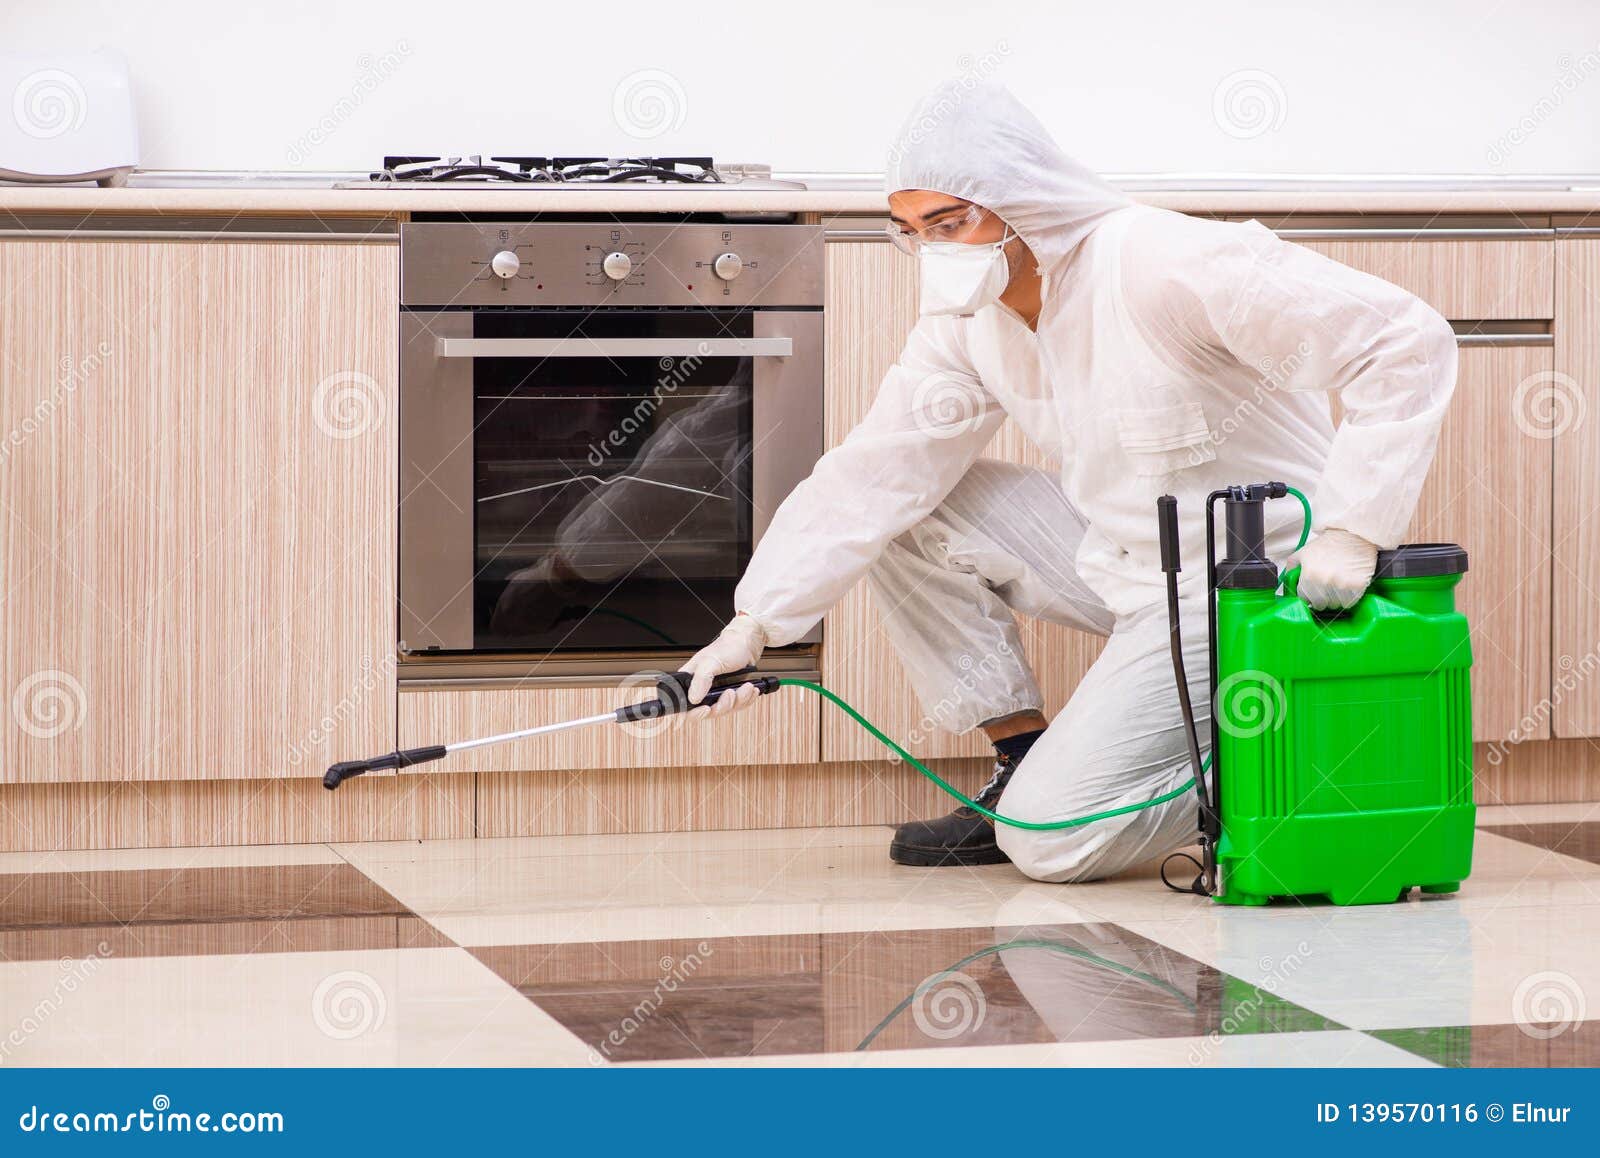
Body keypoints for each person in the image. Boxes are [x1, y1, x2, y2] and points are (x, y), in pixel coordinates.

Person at [680, 79, 1457, 882]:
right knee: (908, 509)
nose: (934, 249)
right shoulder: (968, 324)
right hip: (1122, 560)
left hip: (1250, 587)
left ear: (1021, 203)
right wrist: (756, 625)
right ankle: (1024, 761)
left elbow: (1405, 339)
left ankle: (1310, 759)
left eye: (950, 222)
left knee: (1050, 842)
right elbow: (877, 469)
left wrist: (1353, 529)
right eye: (912, 231)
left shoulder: (1164, 263)